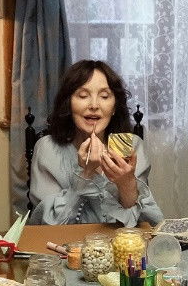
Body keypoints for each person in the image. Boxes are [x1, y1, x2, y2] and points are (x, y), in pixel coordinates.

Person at [28, 60, 164, 226]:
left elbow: (148, 225)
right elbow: (48, 226)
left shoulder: (132, 146)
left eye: (104, 96)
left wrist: (126, 184)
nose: (94, 105)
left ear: (114, 107)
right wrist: (85, 174)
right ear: (68, 103)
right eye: (83, 96)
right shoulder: (47, 149)